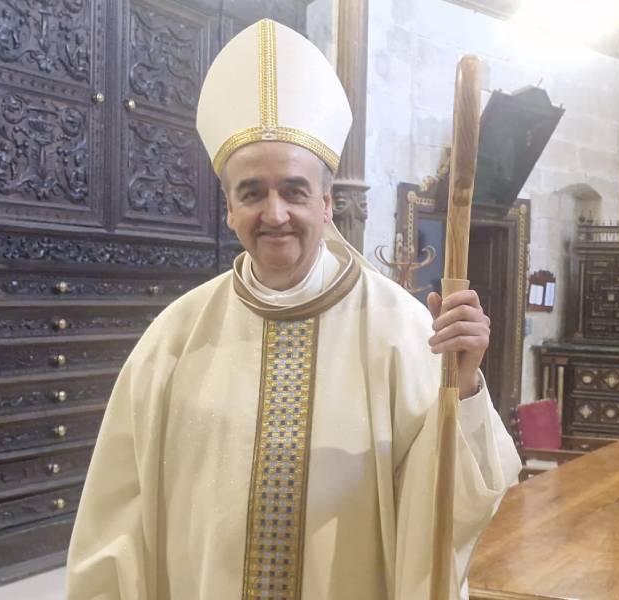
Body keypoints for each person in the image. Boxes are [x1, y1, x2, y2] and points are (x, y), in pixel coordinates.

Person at [65, 19, 521, 600]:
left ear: (327, 203)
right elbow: (118, 519)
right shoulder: (175, 338)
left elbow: (445, 512)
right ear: (229, 209)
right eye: (252, 192)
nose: (274, 213)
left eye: (295, 191)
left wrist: (464, 387)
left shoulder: (402, 329)